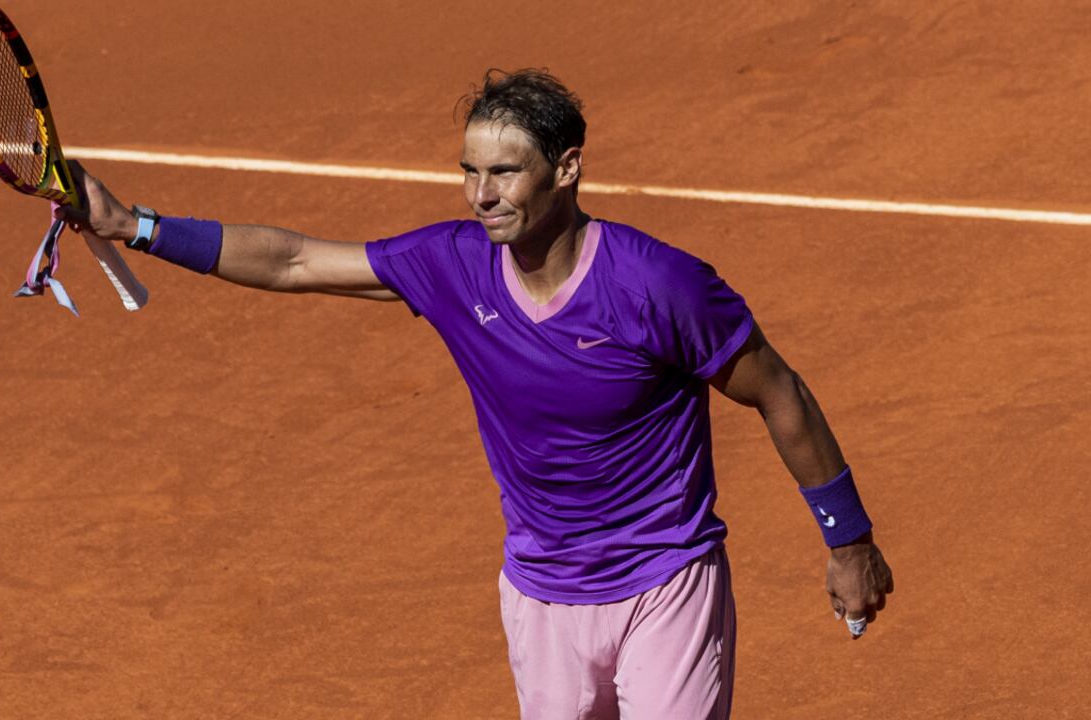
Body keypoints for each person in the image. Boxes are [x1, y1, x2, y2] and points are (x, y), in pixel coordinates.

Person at [58, 68, 893, 719]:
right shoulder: (454, 266)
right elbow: (296, 261)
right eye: (468, 172)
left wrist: (847, 540)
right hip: (540, 593)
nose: (481, 195)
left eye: (504, 172)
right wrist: (138, 226)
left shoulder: (658, 285)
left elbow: (779, 390)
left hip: (664, 585)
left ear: (566, 169)